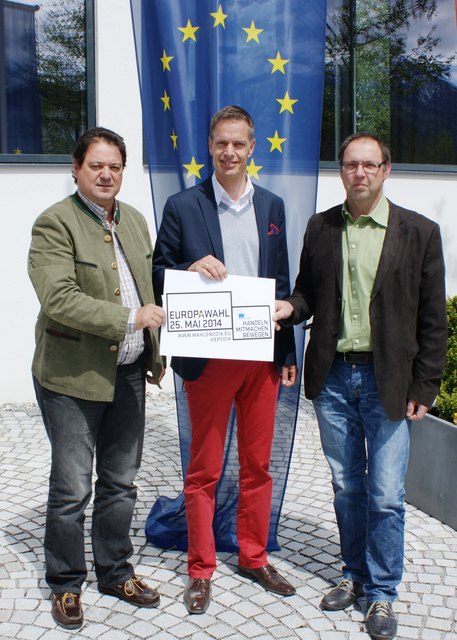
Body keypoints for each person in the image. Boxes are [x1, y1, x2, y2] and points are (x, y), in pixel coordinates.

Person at [274, 132, 447, 640]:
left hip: (388, 379)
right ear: (342, 171)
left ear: (386, 170)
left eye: (370, 165)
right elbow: (307, 292)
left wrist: (426, 383)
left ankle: (382, 593)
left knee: (387, 494)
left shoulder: (420, 232)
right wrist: (290, 308)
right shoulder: (321, 226)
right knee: (347, 485)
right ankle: (353, 574)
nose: (360, 174)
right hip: (333, 377)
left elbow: (433, 319)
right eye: (351, 165)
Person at [153, 105, 297, 614]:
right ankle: (200, 568)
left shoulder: (273, 206)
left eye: (239, 144)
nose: (230, 152)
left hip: (259, 359)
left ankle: (254, 556)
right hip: (208, 360)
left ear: (252, 146)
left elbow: (280, 284)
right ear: (209, 147)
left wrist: (287, 351)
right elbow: (159, 272)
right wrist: (190, 266)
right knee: (205, 468)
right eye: (221, 144)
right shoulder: (182, 205)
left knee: (258, 464)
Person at [28, 127, 166, 630]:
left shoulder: (134, 221)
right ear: (76, 168)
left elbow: (153, 283)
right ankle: (65, 582)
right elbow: (59, 298)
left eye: (115, 166)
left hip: (127, 373)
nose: (106, 174)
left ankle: (114, 571)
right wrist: (130, 319)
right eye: (96, 165)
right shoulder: (54, 224)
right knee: (71, 488)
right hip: (71, 378)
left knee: (121, 482)